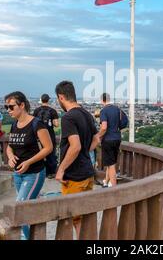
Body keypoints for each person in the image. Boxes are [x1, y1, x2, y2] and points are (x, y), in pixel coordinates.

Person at [4, 91, 53, 240]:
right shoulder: (14, 124)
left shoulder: (36, 123)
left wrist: (29, 162)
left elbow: (48, 147)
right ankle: (34, 235)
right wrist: (10, 157)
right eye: (6, 107)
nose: (8, 110)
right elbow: (10, 146)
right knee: (28, 206)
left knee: (20, 207)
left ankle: (25, 238)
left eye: (11, 107)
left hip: (34, 172)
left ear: (22, 105)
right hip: (18, 173)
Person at [54, 81, 99, 239]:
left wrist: (61, 169)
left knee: (73, 217)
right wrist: (85, 153)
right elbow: (96, 140)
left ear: (61, 97)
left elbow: (75, 146)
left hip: (74, 175)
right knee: (84, 216)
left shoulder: (68, 117)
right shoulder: (86, 113)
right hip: (87, 172)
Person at [97, 93, 122, 187]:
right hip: (117, 138)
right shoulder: (117, 109)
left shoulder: (104, 111)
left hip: (108, 139)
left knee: (110, 164)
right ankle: (106, 182)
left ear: (102, 100)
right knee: (112, 162)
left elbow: (104, 127)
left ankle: (114, 188)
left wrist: (98, 136)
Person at [32, 93, 59, 178]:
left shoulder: (36, 111)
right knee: (51, 153)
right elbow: (56, 124)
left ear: (41, 100)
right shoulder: (52, 111)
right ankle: (51, 172)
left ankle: (41, 171)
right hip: (49, 134)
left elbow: (33, 123)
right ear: (48, 100)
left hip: (38, 135)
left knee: (40, 153)